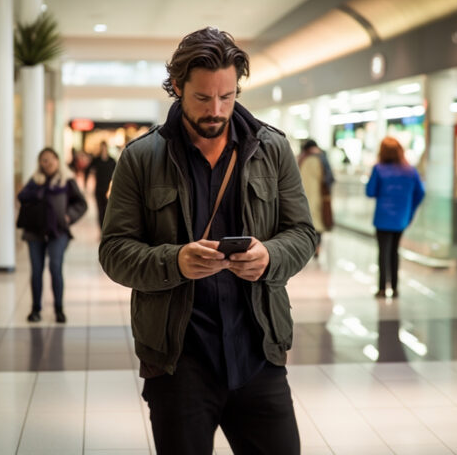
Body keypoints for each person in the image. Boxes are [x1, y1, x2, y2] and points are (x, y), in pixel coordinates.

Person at [98, 27, 316, 455]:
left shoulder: (271, 149)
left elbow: (304, 233)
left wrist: (270, 256)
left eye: (228, 96)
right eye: (202, 98)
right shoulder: (141, 158)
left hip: (258, 351)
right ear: (177, 87)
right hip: (178, 360)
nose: (216, 110)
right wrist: (175, 262)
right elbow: (114, 252)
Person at [17, 148, 87, 323]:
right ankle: (35, 309)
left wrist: (69, 215)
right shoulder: (35, 181)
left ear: (57, 160)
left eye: (49, 159)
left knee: (55, 268)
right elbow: (22, 197)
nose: (46, 163)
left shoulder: (66, 181)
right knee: (36, 271)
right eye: (43, 160)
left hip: (58, 231)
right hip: (34, 232)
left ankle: (59, 309)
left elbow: (81, 203)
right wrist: (37, 191)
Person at [366, 137, 425, 299]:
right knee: (394, 251)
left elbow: (370, 192)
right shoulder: (410, 171)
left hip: (383, 218)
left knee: (383, 252)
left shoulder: (378, 169)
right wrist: (410, 209)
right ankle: (395, 287)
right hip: (401, 218)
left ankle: (382, 288)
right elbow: (420, 192)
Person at [297, 139, 335, 255]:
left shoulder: (301, 158)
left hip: (302, 195)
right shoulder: (322, 158)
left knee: (306, 221)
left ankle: (306, 248)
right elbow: (330, 179)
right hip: (318, 196)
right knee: (319, 222)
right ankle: (317, 247)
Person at [87, 140, 116, 230]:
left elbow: (117, 174)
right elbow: (87, 170)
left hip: (109, 190)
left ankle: (106, 230)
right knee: (100, 211)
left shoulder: (112, 161)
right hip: (99, 189)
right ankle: (101, 230)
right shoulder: (96, 160)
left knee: (108, 211)